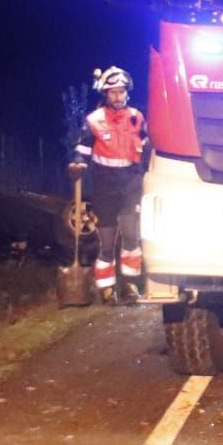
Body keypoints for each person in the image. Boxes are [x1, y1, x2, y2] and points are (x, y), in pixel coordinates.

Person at [69, 66, 148, 302]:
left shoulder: (137, 117)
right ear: (105, 94)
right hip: (104, 184)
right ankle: (106, 288)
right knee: (106, 240)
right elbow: (82, 149)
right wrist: (77, 164)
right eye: (113, 92)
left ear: (127, 93)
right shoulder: (94, 120)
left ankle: (131, 285)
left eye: (121, 91)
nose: (118, 96)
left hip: (131, 181)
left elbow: (148, 144)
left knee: (131, 233)